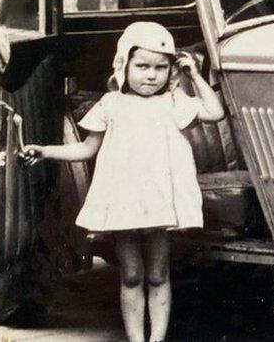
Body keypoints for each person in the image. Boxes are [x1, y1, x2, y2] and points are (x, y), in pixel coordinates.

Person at [23, 22, 224, 342]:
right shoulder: (111, 104)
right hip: (125, 202)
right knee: (131, 275)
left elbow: (214, 113)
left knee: (158, 274)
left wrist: (193, 75)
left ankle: (156, 339)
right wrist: (46, 151)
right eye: (142, 66)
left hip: (160, 203)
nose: (151, 75)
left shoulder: (174, 103)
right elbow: (86, 149)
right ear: (123, 64)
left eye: (161, 67)